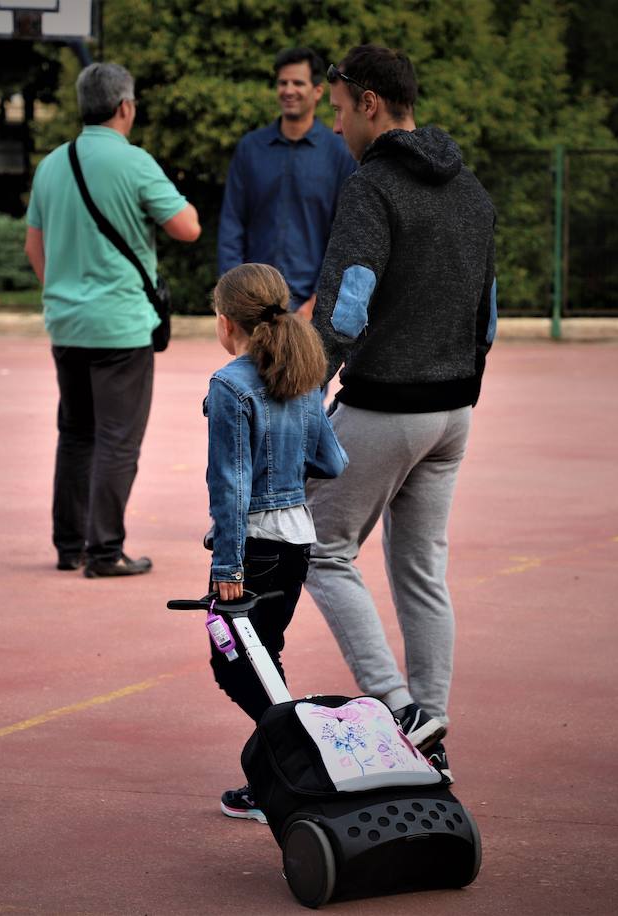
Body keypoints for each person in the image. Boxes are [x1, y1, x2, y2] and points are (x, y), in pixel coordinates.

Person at [305, 45, 498, 783]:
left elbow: (346, 307)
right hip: (454, 413)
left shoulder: (373, 187)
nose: (335, 127)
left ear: (373, 105)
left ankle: (397, 710)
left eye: (341, 110)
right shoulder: (472, 190)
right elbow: (487, 318)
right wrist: (462, 388)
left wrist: (302, 395)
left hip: (388, 404)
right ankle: (433, 725)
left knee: (323, 547)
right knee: (421, 568)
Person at [24, 62, 201, 577]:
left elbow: (35, 247)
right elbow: (187, 228)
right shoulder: (135, 162)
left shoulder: (52, 165)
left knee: (75, 432)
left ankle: (68, 546)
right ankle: (105, 551)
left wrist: (62, 295)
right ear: (125, 107)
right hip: (121, 325)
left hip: (66, 324)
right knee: (118, 438)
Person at [204, 263, 347, 822]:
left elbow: (231, 487)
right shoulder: (307, 374)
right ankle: (275, 778)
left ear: (225, 322)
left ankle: (299, 767)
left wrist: (227, 566)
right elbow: (331, 461)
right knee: (264, 656)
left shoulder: (229, 387)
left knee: (234, 664)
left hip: (254, 548)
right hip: (296, 542)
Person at [217, 47, 355, 320]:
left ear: (317, 91)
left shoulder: (339, 153)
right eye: (283, 82)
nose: (288, 90)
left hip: (312, 310)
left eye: (297, 83)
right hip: (253, 306)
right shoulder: (250, 149)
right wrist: (235, 295)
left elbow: (344, 235)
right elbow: (231, 226)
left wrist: (318, 299)